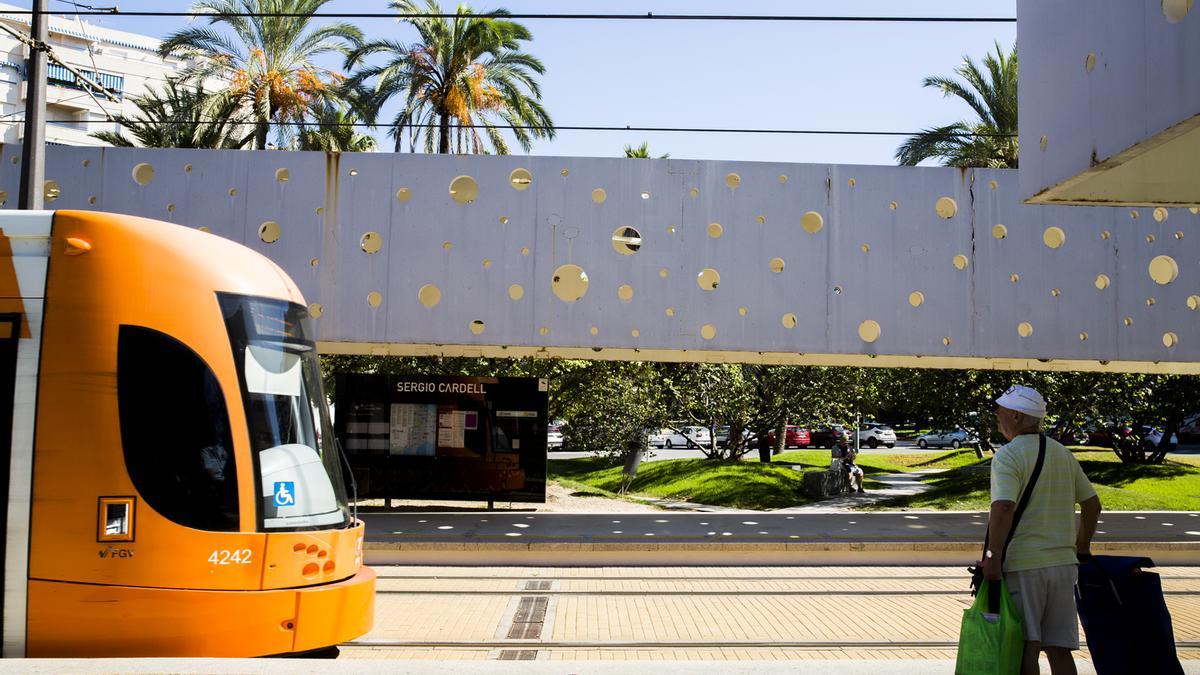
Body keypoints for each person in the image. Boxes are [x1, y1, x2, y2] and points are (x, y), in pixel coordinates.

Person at [983, 385, 1102, 675]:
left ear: (1015, 415)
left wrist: (992, 555)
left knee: (1026, 647)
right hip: (1063, 566)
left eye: (1000, 410)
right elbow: (1092, 505)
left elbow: (1003, 508)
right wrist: (1081, 547)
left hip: (1025, 565)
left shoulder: (1008, 456)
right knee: (1060, 650)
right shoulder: (1062, 453)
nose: (996, 415)